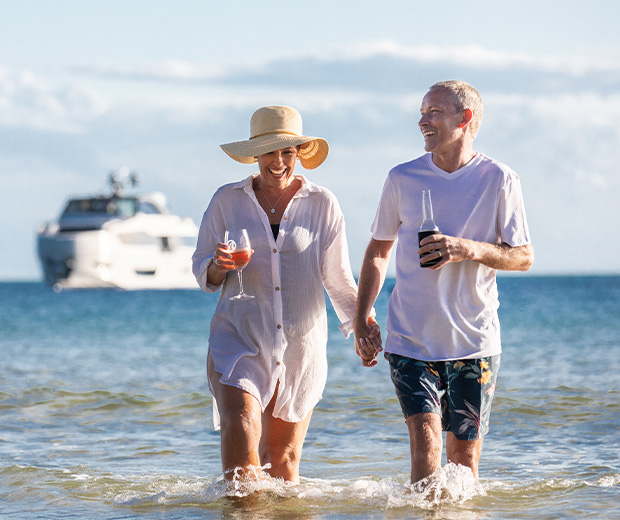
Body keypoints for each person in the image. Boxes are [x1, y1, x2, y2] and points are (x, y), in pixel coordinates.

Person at [354, 80, 534, 485]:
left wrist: (465, 248)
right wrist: (362, 314)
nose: (422, 121)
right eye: (422, 112)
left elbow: (523, 256)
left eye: (433, 112)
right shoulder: (402, 178)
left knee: (463, 463)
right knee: (425, 448)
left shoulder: (500, 179)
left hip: (474, 340)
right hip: (410, 340)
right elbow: (378, 251)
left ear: (465, 118)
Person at [192, 105, 380, 484]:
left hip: (300, 348)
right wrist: (219, 264)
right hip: (239, 338)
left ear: (299, 155)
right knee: (241, 433)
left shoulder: (322, 203)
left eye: (287, 152)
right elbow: (202, 269)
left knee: (282, 461)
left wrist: (363, 324)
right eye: (269, 152)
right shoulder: (227, 201)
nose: (278, 162)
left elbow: (337, 277)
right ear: (255, 155)